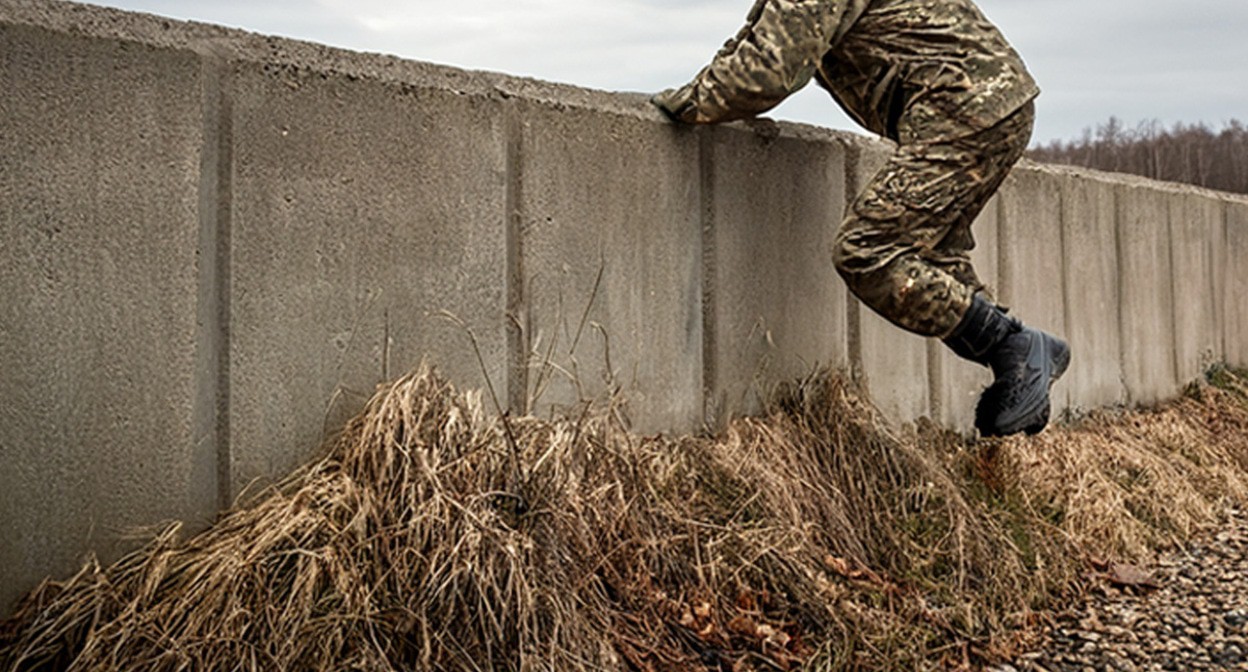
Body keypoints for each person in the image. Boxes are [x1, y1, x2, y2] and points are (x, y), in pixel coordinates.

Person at [653, 0, 1070, 437]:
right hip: (991, 105)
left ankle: (1015, 347)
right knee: (932, 260)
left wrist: (679, 105)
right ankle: (1023, 371)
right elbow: (755, 43)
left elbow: (765, 74)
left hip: (961, 110)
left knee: (867, 251)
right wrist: (700, 86)